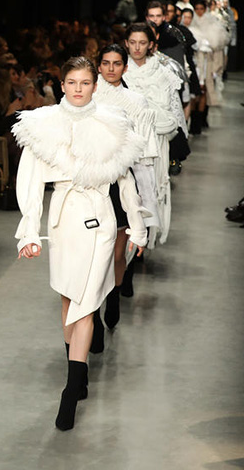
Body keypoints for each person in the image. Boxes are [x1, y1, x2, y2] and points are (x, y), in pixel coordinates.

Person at [13, 56, 147, 430]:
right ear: (61, 84)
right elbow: (29, 182)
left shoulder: (113, 125)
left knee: (85, 306)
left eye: (84, 83)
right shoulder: (41, 126)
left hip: (100, 219)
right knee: (68, 297)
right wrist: (28, 231)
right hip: (62, 219)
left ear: (94, 86)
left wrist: (136, 227)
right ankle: (80, 367)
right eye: (71, 82)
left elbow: (126, 183)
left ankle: (70, 390)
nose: (77, 89)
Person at [92, 44, 160, 334]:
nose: (110, 68)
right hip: (91, 181)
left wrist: (145, 190)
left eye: (116, 63)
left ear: (125, 67)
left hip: (121, 180)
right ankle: (92, 312)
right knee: (93, 252)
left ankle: (114, 296)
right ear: (98, 66)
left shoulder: (137, 102)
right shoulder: (85, 95)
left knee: (117, 253)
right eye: (105, 63)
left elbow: (143, 150)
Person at [122, 23, 185, 247]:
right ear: (126, 43)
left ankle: (144, 237)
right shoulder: (119, 71)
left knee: (151, 189)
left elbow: (172, 116)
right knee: (128, 189)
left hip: (156, 142)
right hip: (125, 141)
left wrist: (146, 116)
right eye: (132, 42)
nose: (137, 47)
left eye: (142, 43)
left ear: (151, 44)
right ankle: (129, 236)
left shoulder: (164, 73)